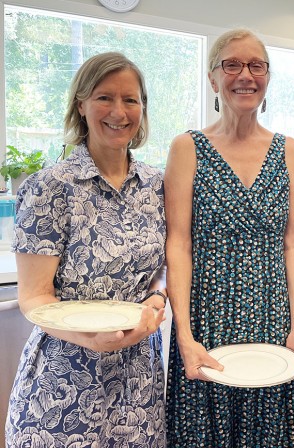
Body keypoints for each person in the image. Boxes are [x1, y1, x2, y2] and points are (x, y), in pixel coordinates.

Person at [5, 52, 167, 446]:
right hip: (65, 376)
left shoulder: (157, 185)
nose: (119, 111)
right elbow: (34, 297)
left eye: (131, 99)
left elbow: (161, 265)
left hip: (138, 378)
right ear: (81, 104)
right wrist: (91, 340)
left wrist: (159, 297)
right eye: (104, 97)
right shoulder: (51, 187)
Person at [164, 28, 294, 447]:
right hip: (206, 318)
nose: (245, 74)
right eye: (232, 64)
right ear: (213, 78)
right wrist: (184, 336)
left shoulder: (290, 151)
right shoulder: (187, 147)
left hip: (271, 319)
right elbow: (178, 243)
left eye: (256, 65)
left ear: (267, 78)